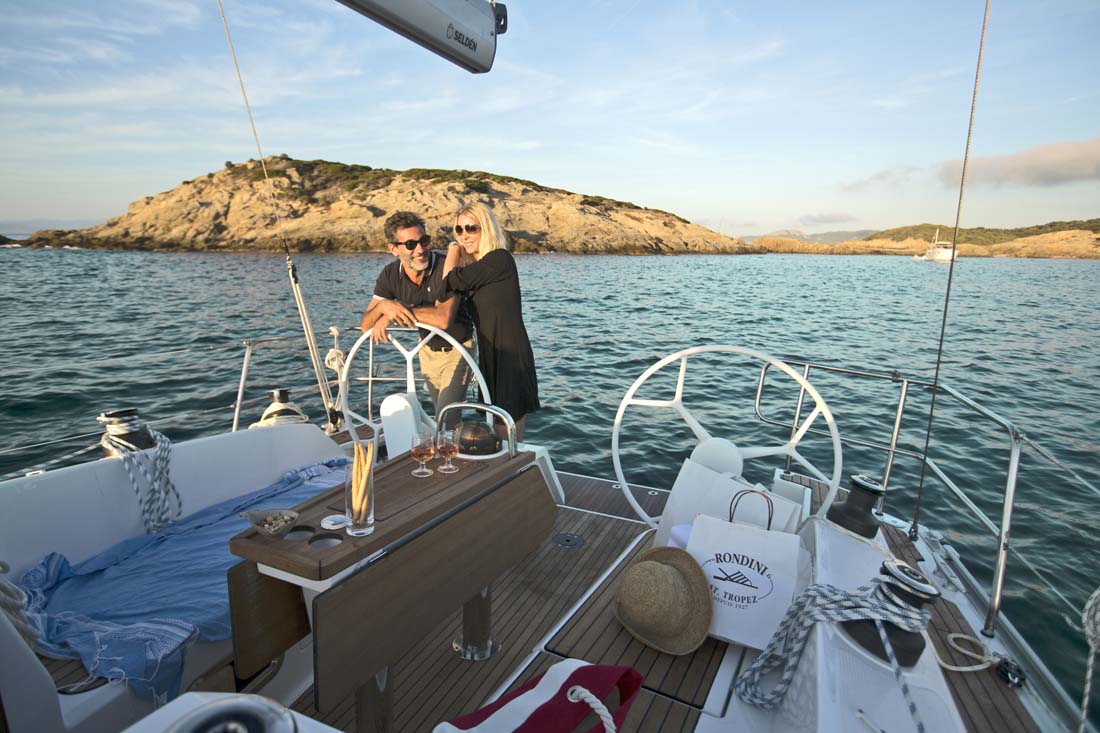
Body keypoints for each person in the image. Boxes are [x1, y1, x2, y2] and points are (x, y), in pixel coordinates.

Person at [360, 211, 475, 428]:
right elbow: (366, 325)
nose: (420, 250)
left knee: (446, 420)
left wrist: (394, 314)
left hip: (459, 350)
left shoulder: (447, 265)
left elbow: (443, 319)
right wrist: (384, 307)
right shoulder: (390, 274)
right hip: (426, 352)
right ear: (393, 249)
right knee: (442, 420)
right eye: (410, 244)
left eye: (424, 241)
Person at [441, 202, 540, 441]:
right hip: (491, 353)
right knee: (499, 424)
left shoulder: (499, 259)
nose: (464, 235)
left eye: (471, 228)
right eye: (459, 230)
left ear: (486, 228)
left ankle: (513, 463)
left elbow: (447, 282)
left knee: (506, 428)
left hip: (509, 355)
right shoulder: (480, 268)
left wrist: (453, 249)